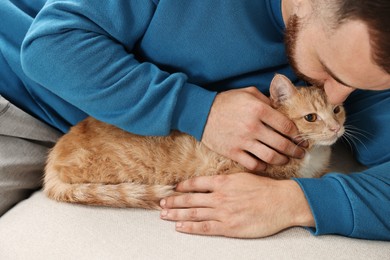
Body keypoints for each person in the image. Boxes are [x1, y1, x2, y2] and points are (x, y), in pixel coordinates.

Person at [0, 0, 389, 240]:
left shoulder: (370, 54)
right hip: (18, 94)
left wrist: (298, 201)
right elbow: (50, 47)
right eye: (327, 69)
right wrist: (198, 110)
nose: (335, 96)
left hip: (106, 151)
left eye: (356, 86)